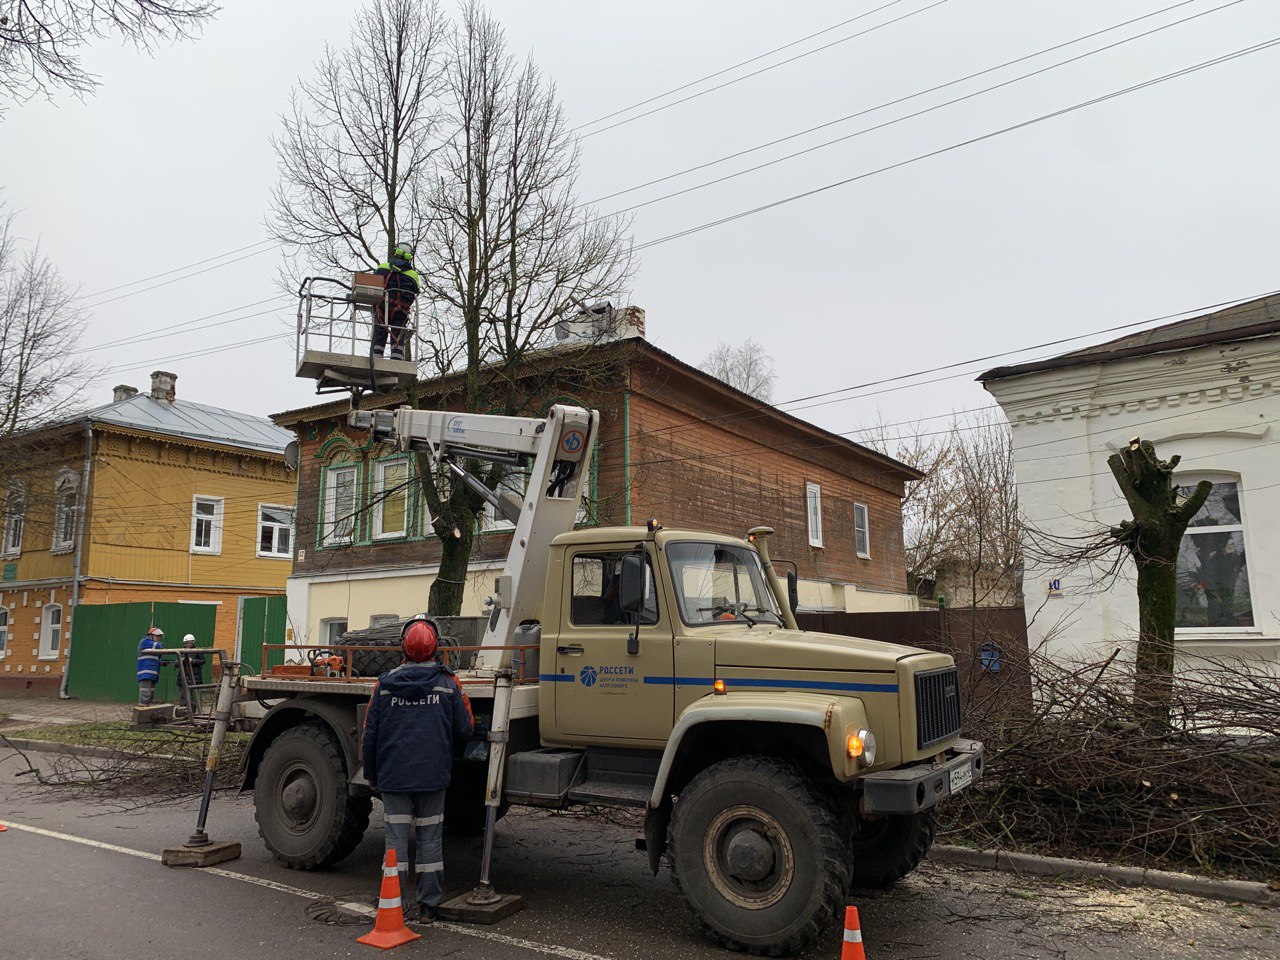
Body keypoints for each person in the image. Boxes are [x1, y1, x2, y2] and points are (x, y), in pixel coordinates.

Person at [361, 616, 473, 925]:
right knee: (430, 841)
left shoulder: (383, 686)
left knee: (396, 843)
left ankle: (393, 904)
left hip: (394, 778)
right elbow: (465, 728)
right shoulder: (449, 683)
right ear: (437, 646)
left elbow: (369, 734)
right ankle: (428, 908)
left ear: (403, 646)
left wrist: (372, 774)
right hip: (433, 776)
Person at [372, 244, 420, 361]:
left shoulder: (382, 267)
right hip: (400, 311)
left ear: (395, 253)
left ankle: (375, 359)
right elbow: (415, 292)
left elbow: (374, 283)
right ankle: (397, 360)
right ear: (409, 258)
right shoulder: (413, 275)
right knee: (398, 335)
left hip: (381, 308)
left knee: (380, 332)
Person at [176, 633, 207, 715]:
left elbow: (203, 661)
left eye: (189, 643)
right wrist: (180, 660)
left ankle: (192, 712)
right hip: (183, 676)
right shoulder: (180, 652)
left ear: (193, 642)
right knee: (183, 694)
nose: (187, 645)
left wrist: (192, 661)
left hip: (194, 676)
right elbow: (176, 664)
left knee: (194, 695)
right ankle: (183, 711)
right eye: (186, 643)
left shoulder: (197, 651)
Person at [136, 627, 165, 706]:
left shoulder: (151, 644)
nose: (158, 638)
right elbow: (159, 646)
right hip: (145, 673)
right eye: (157, 636)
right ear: (151, 635)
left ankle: (147, 710)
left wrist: (163, 663)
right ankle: (142, 711)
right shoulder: (144, 642)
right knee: (145, 694)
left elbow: (157, 658)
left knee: (150, 695)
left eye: (159, 637)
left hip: (152, 674)